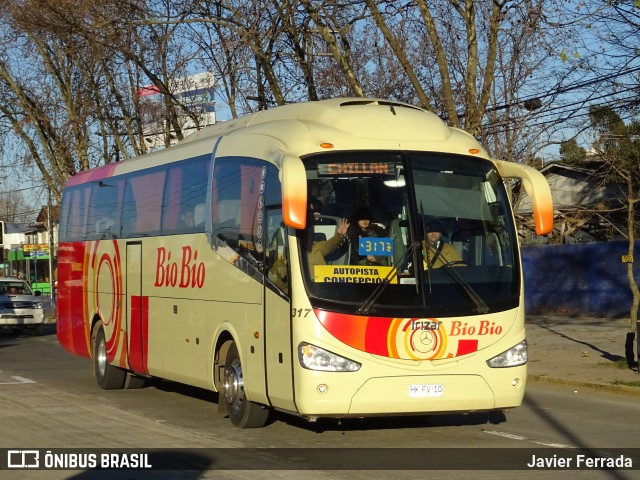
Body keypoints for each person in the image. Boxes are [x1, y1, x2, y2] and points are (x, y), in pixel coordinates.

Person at [305, 197, 350, 266]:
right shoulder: (295, 232)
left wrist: (340, 235)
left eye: (317, 210)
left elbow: (329, 245)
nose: (315, 214)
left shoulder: (330, 223)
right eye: (311, 211)